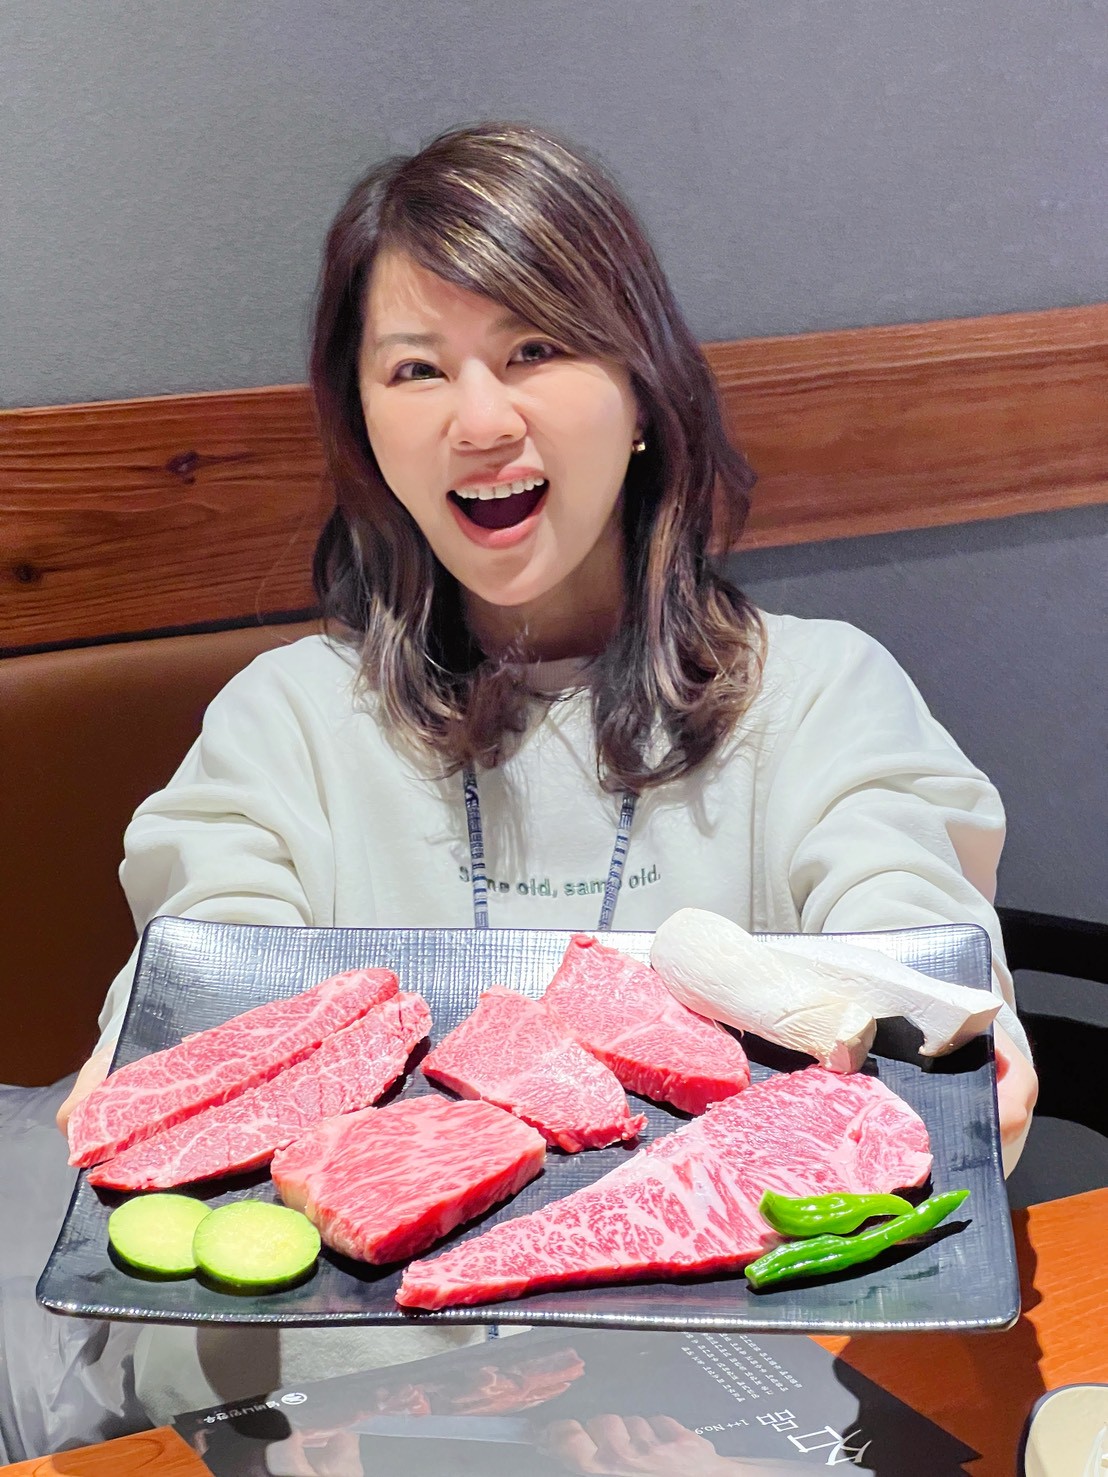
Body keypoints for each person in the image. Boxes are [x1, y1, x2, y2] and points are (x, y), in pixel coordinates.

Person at [55, 121, 1036, 1421]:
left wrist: (962, 1028)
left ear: (641, 391)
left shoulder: (818, 695)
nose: (479, 420)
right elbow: (216, 959)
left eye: (534, 349)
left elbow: (897, 905)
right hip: (351, 1404)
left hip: (727, 1399)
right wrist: (149, 1061)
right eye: (416, 368)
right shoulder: (289, 721)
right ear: (365, 421)